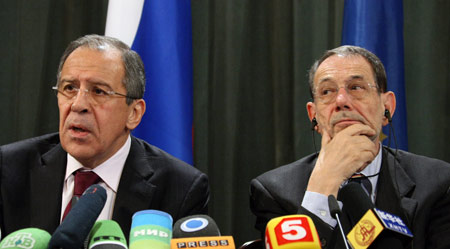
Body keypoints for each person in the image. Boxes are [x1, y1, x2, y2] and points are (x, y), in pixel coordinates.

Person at [0, 34, 209, 238]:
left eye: (99, 91)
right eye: (69, 88)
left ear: (133, 113)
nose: (78, 105)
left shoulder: (180, 188)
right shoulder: (9, 169)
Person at [250, 45, 450, 249]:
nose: (341, 101)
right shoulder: (274, 192)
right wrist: (322, 186)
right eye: (327, 91)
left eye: (356, 87)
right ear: (313, 116)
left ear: (387, 107)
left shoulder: (438, 183)